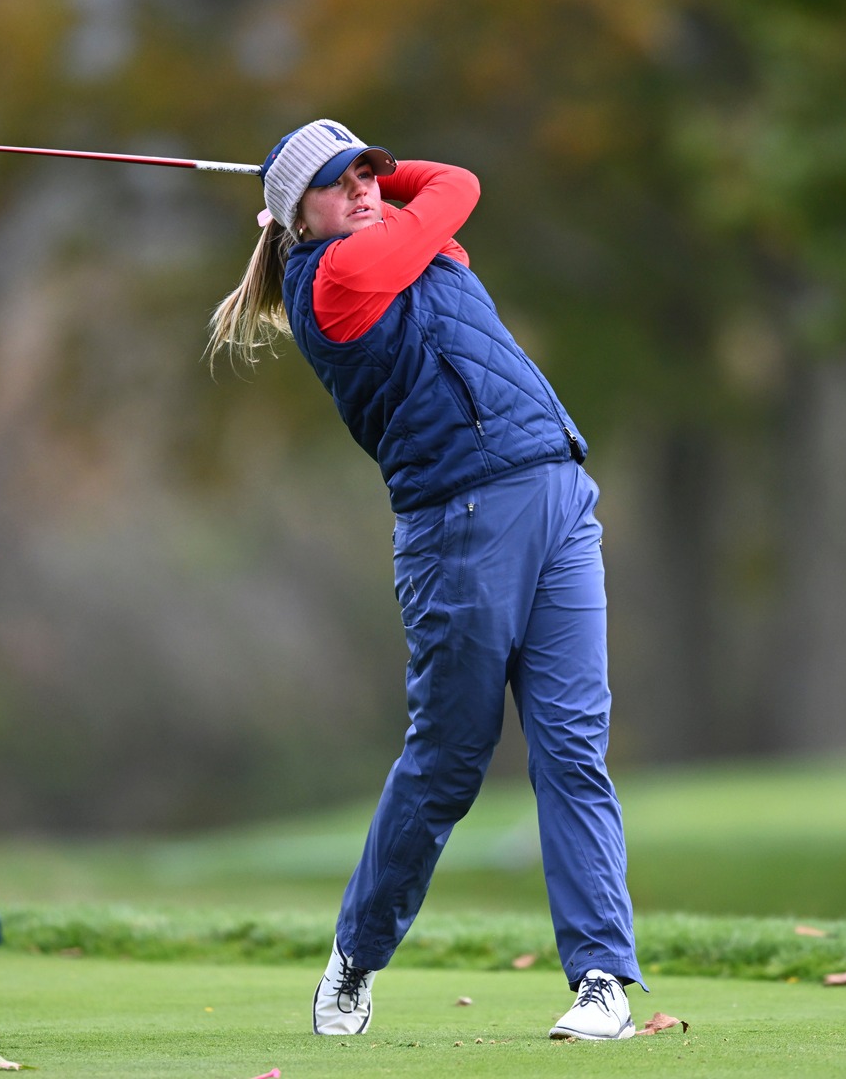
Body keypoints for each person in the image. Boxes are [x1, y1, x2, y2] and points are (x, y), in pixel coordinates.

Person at [207, 119, 645, 1041]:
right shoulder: (335, 280)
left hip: (560, 497)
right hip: (461, 526)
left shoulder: (406, 247)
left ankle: (602, 978)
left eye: (370, 173)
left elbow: (445, 190)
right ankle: (356, 956)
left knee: (573, 749)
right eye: (339, 182)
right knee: (448, 763)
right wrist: (368, 182)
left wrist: (355, 170)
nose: (365, 189)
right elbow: (459, 185)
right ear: (297, 219)